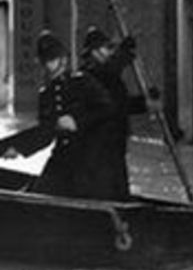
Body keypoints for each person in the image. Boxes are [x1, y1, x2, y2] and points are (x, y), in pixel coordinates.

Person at [15, 31, 116, 198]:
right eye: (50, 61)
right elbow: (45, 135)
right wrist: (14, 147)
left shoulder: (83, 82)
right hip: (63, 158)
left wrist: (77, 121)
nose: (58, 64)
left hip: (90, 159)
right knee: (39, 192)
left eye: (60, 58)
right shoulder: (45, 95)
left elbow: (107, 110)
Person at [79, 26, 158, 200]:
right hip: (97, 142)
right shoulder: (88, 75)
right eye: (105, 48)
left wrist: (144, 101)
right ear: (93, 52)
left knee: (118, 186)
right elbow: (107, 74)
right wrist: (124, 54)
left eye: (110, 49)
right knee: (105, 186)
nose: (109, 52)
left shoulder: (110, 76)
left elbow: (120, 105)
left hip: (114, 139)